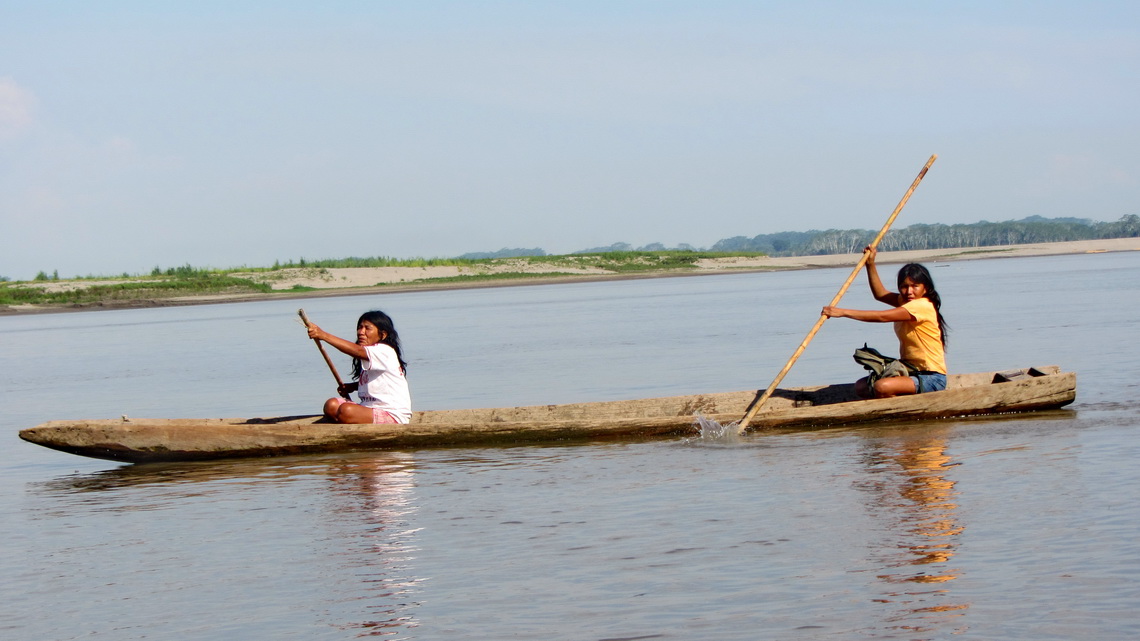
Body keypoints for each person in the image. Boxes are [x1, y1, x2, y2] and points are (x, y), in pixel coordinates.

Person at [822, 246, 947, 398]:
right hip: (910, 371)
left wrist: (843, 312)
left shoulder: (922, 305)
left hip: (931, 377)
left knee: (881, 387)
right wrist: (870, 264)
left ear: (925, 288)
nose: (909, 292)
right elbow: (880, 294)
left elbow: (882, 316)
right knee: (861, 387)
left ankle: (900, 411)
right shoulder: (905, 302)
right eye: (904, 287)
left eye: (915, 286)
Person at [306, 310, 412, 424]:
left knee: (346, 410)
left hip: (392, 413)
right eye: (360, 327)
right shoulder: (370, 353)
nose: (361, 332)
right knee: (331, 405)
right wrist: (353, 386)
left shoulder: (385, 350)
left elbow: (357, 351)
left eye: (367, 328)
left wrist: (324, 335)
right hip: (368, 408)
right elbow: (378, 382)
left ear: (383, 334)